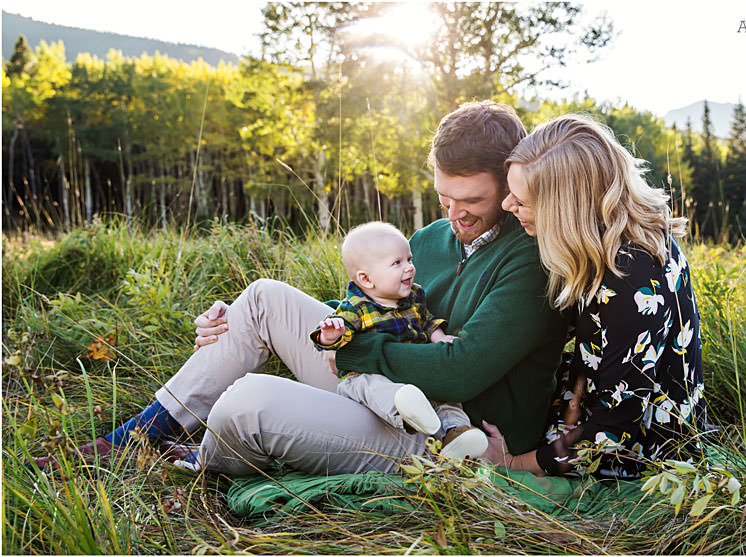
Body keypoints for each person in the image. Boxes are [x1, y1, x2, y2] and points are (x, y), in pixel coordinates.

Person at [33, 101, 568, 475]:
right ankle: (140, 436)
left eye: (469, 200)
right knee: (264, 298)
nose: (453, 214)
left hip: (448, 435)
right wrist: (236, 334)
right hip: (382, 391)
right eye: (443, 197)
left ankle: (201, 455)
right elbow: (366, 307)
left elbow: (465, 371)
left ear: (511, 181)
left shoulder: (533, 258)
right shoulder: (429, 238)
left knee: (252, 403)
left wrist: (352, 348)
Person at [483, 113, 707, 479]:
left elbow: (612, 435)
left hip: (646, 457)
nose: (508, 205)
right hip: (587, 412)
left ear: (565, 210)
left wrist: (510, 464)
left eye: (521, 201)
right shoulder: (603, 244)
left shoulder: (631, 276)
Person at [310, 221, 489, 460]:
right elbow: (339, 335)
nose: (409, 268)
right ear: (366, 279)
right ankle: (403, 408)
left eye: (409, 259)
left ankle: (458, 434)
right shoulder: (356, 306)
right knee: (369, 384)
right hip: (367, 377)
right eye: (397, 263)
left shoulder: (414, 297)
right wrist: (331, 335)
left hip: (412, 376)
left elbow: (426, 322)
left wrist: (439, 337)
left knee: (448, 400)